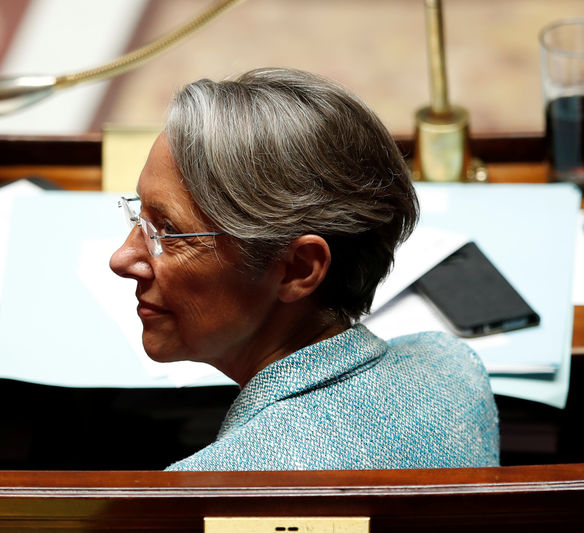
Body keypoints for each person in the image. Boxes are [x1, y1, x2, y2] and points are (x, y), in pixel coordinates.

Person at [109, 67, 499, 471]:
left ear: (298, 269)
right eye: (140, 217)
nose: (122, 259)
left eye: (169, 231)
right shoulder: (454, 368)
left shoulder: (207, 487)